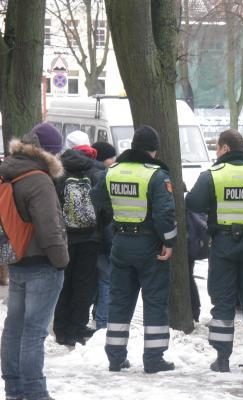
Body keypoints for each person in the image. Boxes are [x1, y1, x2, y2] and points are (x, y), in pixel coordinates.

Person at [186, 129, 243, 374]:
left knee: (223, 301)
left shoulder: (213, 175)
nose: (216, 152)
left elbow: (192, 203)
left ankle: (222, 359)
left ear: (226, 148)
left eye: (217, 147)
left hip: (223, 245)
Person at [92, 125, 176, 374]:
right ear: (154, 150)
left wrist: (117, 214)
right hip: (150, 246)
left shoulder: (112, 171)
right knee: (154, 302)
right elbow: (164, 214)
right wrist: (169, 242)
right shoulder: (157, 175)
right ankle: (153, 359)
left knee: (119, 300)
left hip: (120, 243)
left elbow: (97, 200)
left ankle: (116, 358)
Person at [0, 123, 69, 400]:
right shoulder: (38, 179)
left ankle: (14, 388)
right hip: (41, 261)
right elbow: (49, 226)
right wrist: (61, 260)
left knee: (14, 326)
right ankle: (35, 391)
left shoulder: (8, 171)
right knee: (33, 332)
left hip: (15, 258)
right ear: (50, 153)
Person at [53, 130, 101, 347]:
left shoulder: (56, 171)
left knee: (64, 283)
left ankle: (61, 329)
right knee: (84, 285)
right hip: (90, 237)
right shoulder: (95, 170)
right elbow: (103, 205)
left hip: (65, 238)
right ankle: (77, 328)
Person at [90, 141, 117, 330]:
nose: (114, 160)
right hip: (104, 239)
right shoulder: (103, 176)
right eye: (111, 157)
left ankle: (95, 316)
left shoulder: (87, 171)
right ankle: (102, 322)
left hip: (90, 239)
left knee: (95, 281)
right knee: (106, 280)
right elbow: (106, 213)